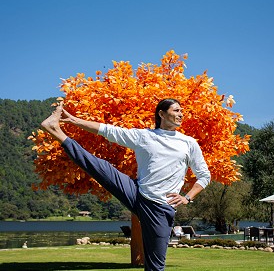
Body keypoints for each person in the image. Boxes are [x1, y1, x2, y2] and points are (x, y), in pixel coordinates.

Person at [41, 98, 210, 271]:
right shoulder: (144, 136)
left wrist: (187, 197)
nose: (181, 114)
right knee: (100, 167)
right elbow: (107, 130)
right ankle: (56, 131)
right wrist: (72, 120)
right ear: (161, 114)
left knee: (155, 266)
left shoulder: (188, 143)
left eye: (181, 111)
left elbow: (204, 176)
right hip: (137, 193)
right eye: (176, 110)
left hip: (160, 207)